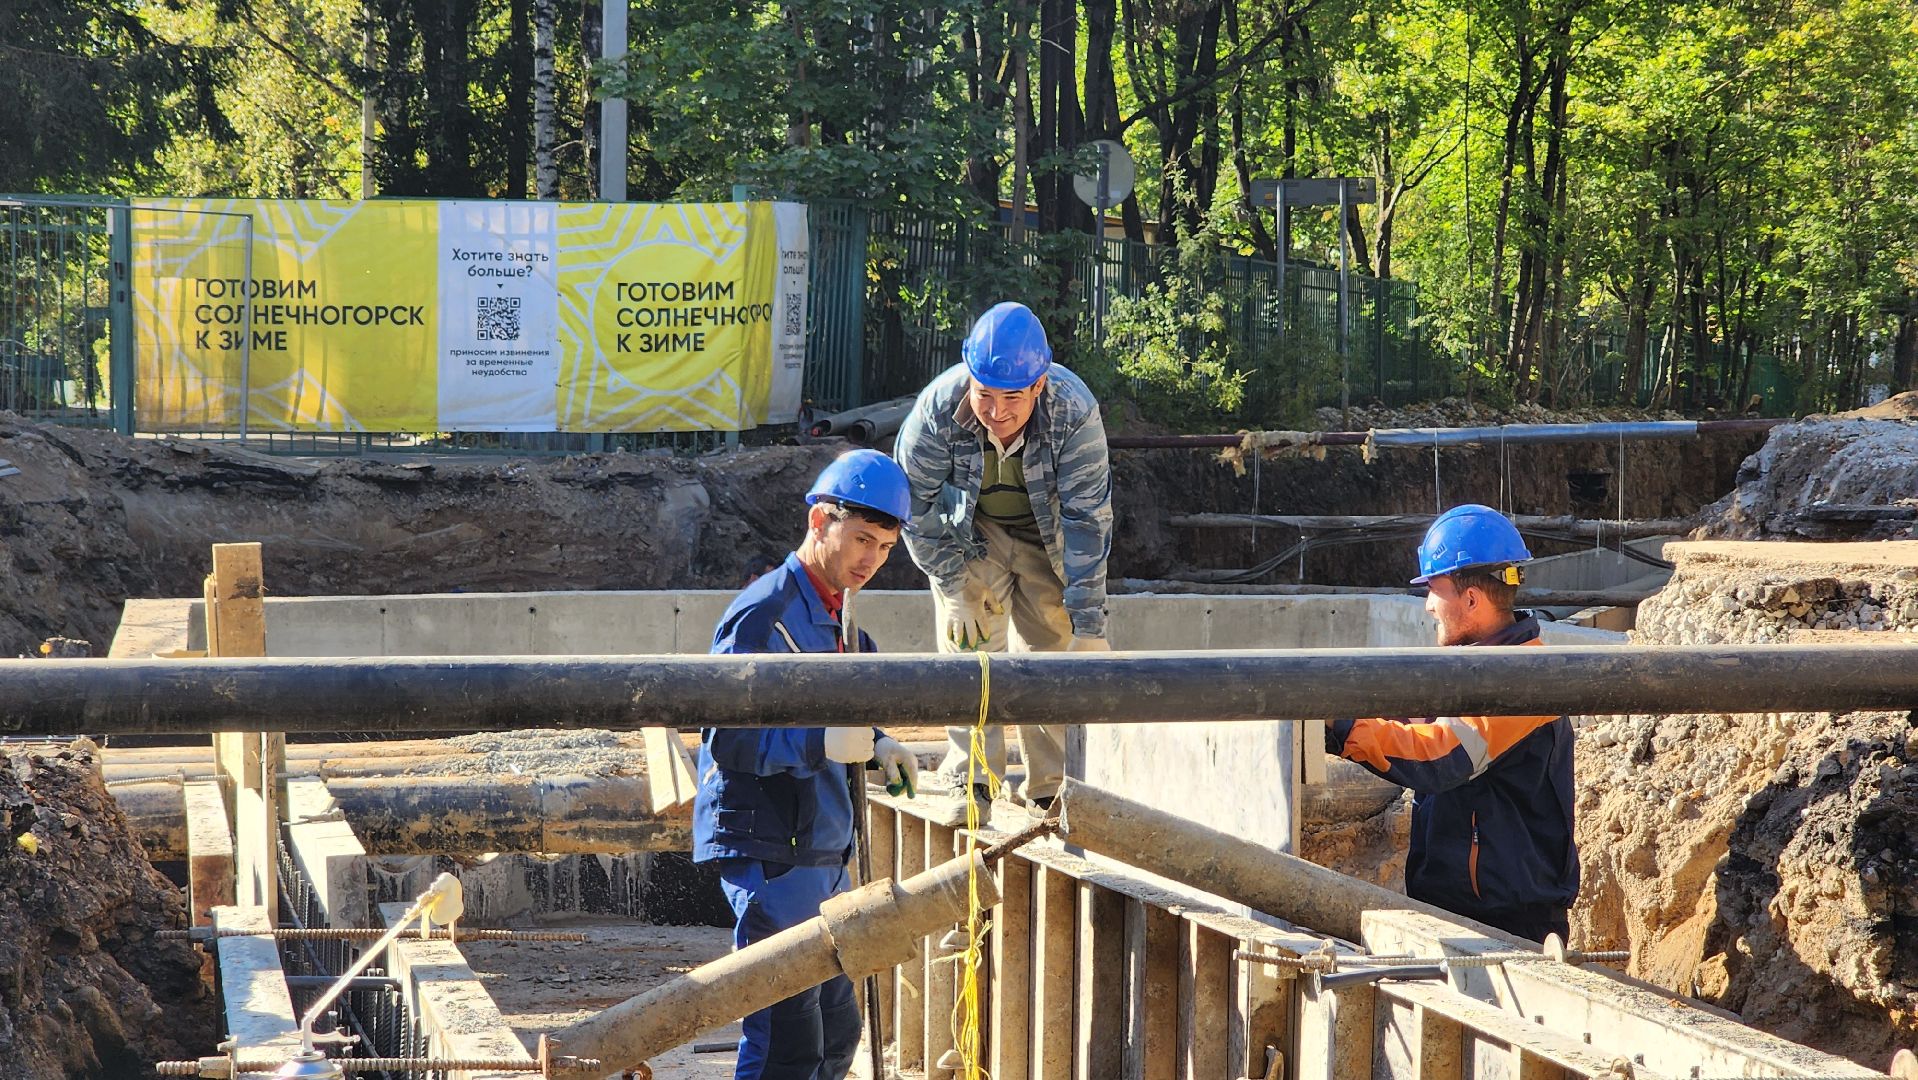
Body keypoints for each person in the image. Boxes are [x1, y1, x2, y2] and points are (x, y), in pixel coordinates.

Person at [691, 449, 922, 1080]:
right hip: (770, 848)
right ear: (820, 521)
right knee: (785, 1041)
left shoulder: (843, 619)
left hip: (820, 851)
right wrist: (822, 743)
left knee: (838, 1029)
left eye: (884, 547)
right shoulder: (763, 615)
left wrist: (876, 743)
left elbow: (844, 716)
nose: (870, 560)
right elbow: (730, 742)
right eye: (861, 540)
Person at [894, 301, 1114, 813]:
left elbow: (1088, 519)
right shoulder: (935, 411)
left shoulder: (1074, 412)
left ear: (1039, 385)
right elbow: (914, 503)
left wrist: (1090, 625)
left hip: (1049, 534)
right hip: (970, 533)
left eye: (1013, 396)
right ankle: (970, 777)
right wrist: (953, 586)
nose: (996, 411)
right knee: (971, 647)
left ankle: (1051, 787)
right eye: (984, 394)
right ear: (968, 376)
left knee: (1054, 651)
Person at [1324, 504, 1579, 943]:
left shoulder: (1520, 680)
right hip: (1464, 908)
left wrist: (1342, 727)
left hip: (1507, 922)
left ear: (1472, 599)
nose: (1427, 606)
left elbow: (1440, 754)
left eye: (1433, 590)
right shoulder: (1479, 667)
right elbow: (1417, 724)